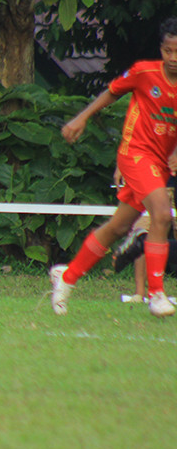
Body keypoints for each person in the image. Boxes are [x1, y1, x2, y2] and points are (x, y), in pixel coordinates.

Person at [50, 17, 177, 317]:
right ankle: (157, 295)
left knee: (118, 227)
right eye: (168, 51)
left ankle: (66, 278)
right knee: (161, 213)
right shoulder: (143, 73)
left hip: (158, 166)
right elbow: (112, 92)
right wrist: (81, 118)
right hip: (135, 154)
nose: (173, 58)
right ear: (161, 50)